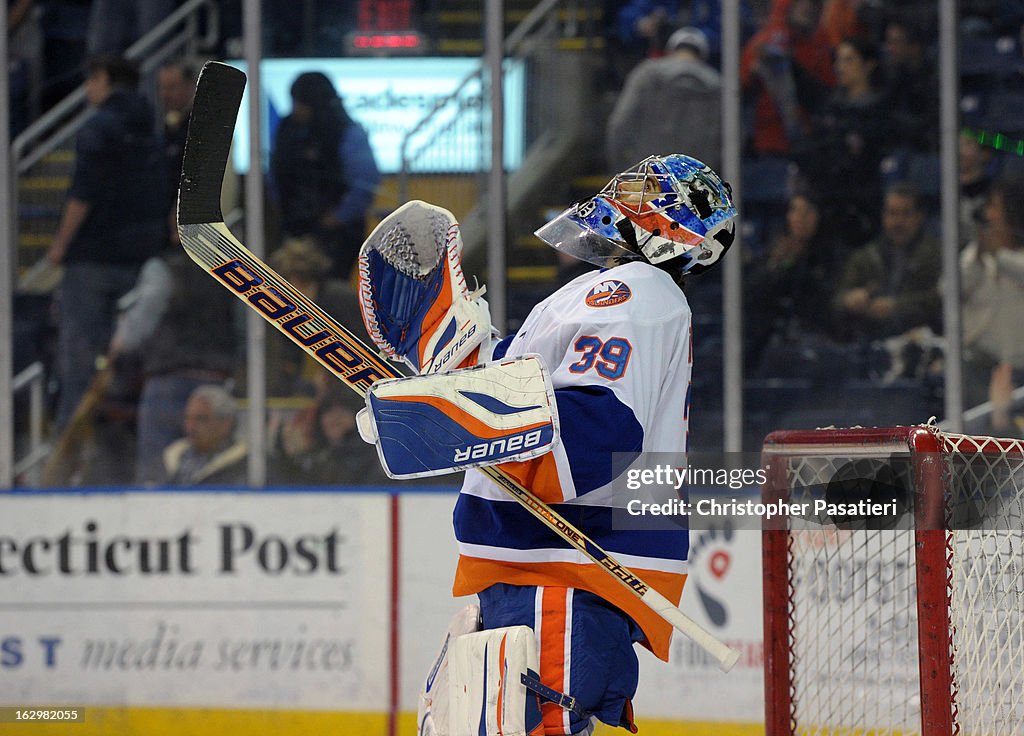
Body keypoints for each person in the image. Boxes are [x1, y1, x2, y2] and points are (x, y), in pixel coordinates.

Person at [360, 155, 737, 734]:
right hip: (544, 576)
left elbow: (590, 433)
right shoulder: (613, 295)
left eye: (642, 189)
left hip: (563, 574)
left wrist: (447, 419)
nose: (621, 193)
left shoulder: (632, 290)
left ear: (667, 222)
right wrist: (449, 383)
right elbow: (530, 391)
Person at [47, 55, 166, 429]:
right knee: (132, 356)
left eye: (91, 81)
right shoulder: (152, 125)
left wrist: (60, 245)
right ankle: (123, 439)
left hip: (94, 257)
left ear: (103, 79)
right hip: (142, 254)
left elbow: (84, 191)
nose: (87, 91)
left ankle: (72, 440)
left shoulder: (99, 127)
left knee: (79, 358)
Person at [109, 243, 240, 485]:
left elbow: (145, 313)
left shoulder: (163, 267)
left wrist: (120, 343)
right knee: (215, 467)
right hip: (215, 381)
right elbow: (244, 322)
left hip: (167, 380)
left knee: (156, 475)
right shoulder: (228, 268)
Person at [270, 71, 380, 280]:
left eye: (300, 103)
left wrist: (337, 218)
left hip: (337, 236)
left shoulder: (346, 132)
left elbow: (365, 183)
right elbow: (276, 173)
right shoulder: (288, 130)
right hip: (294, 229)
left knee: (329, 291)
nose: (296, 109)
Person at [794, 36, 893, 245]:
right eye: (838, 61)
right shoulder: (831, 107)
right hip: (827, 200)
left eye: (849, 60)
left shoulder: (879, 109)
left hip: (862, 203)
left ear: (868, 65)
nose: (840, 67)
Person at [833, 182, 941, 342]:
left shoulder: (937, 255)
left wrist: (897, 307)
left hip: (922, 340)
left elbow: (940, 298)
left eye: (905, 213)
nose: (898, 222)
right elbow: (837, 300)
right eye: (892, 213)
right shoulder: (865, 257)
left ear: (919, 216)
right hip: (869, 340)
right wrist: (850, 300)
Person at [606, 26, 722, 172]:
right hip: (695, 180)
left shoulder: (646, 74)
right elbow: (729, 139)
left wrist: (621, 165)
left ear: (670, 50)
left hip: (648, 175)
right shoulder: (717, 84)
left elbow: (620, 123)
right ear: (703, 55)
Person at [745, 192, 841, 367]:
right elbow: (753, 292)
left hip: (815, 333)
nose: (800, 218)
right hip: (771, 334)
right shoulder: (775, 252)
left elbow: (825, 299)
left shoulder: (829, 255)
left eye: (807, 212)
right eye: (795, 211)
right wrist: (777, 265)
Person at [960, 174, 1024, 430]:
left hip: (1020, 373)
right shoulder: (976, 253)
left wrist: (999, 255)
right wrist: (979, 255)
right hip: (978, 368)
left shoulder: (1009, 256)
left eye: (995, 207)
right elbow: (950, 289)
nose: (989, 214)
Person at [740, 0, 835, 157]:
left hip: (809, 141)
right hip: (769, 142)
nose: (807, 9)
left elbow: (828, 91)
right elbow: (742, 86)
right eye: (802, 3)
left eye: (812, 4)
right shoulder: (764, 43)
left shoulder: (820, 44)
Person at [162, 384, 247, 486]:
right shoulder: (171, 458)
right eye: (187, 418)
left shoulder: (247, 465)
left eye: (200, 419)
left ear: (226, 423)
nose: (190, 427)